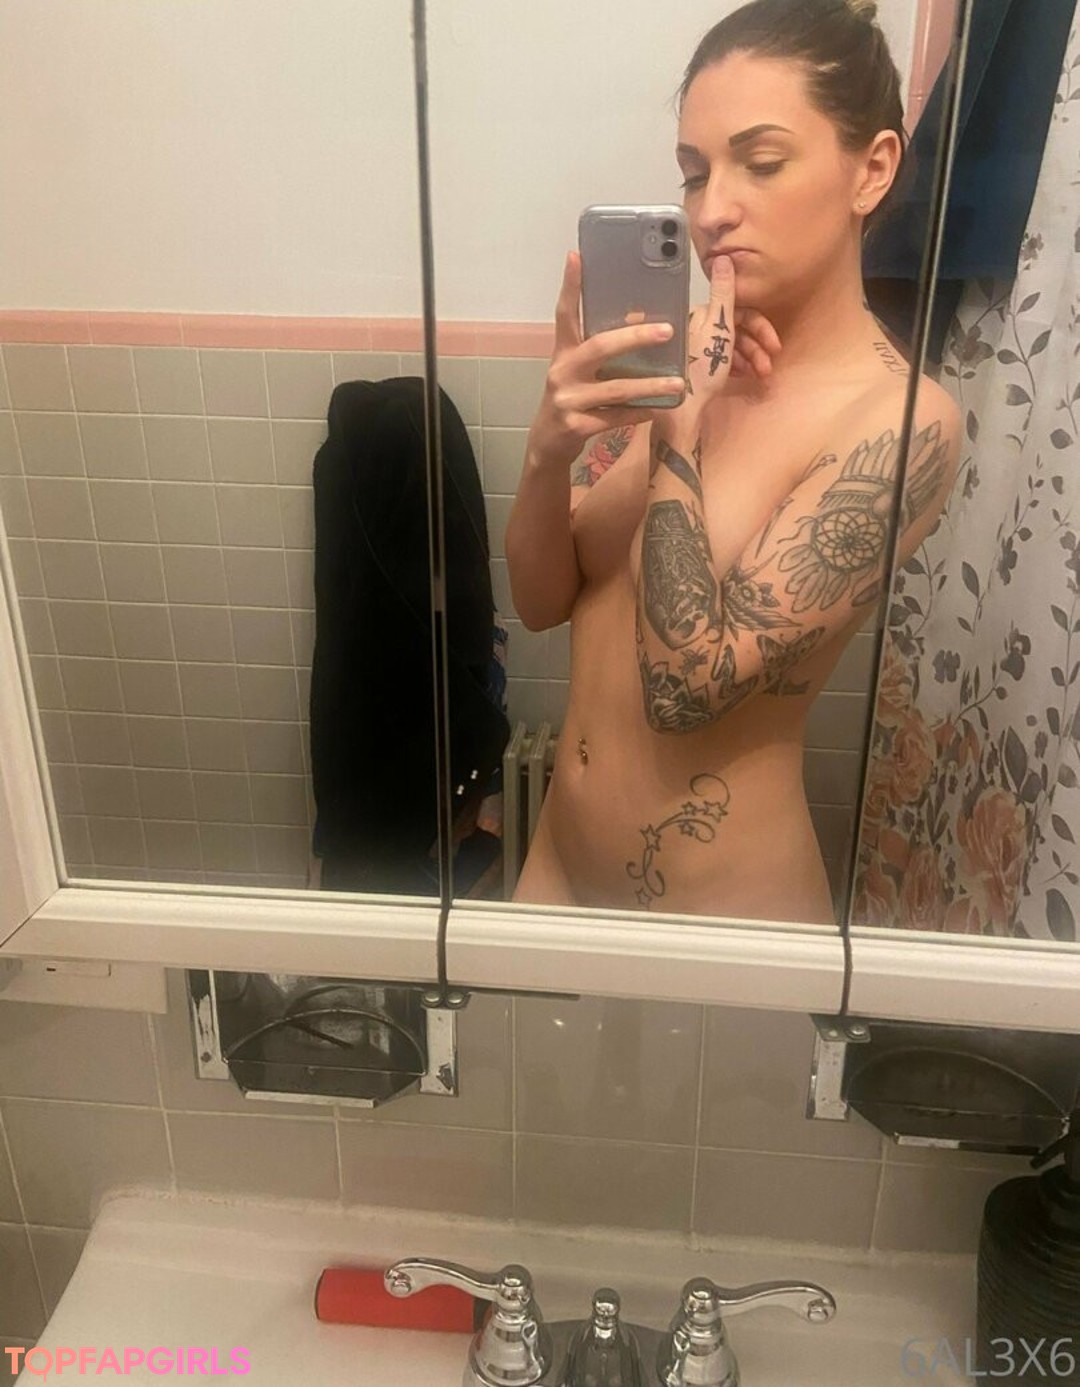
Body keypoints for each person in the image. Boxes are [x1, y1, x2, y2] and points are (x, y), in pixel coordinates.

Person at [505, 0, 961, 924]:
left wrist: (678, 433)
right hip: (555, 868)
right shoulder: (688, 357)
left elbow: (685, 688)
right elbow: (544, 600)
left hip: (719, 920)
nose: (712, 210)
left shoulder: (902, 422)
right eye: (694, 172)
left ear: (871, 169)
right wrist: (549, 450)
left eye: (761, 161)